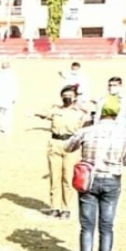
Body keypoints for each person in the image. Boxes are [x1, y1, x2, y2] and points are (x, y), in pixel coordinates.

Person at [68, 97, 126, 251]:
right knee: (107, 225)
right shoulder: (123, 133)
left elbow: (68, 147)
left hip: (89, 179)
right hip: (112, 178)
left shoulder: (88, 131)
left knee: (87, 225)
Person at [35, 85, 91, 220]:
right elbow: (42, 113)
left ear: (75, 97)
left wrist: (84, 108)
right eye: (65, 95)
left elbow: (91, 120)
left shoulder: (79, 112)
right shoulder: (55, 110)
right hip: (55, 143)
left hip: (71, 145)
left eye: (70, 95)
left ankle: (66, 208)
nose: (67, 97)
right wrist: (49, 108)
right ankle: (55, 207)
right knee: (55, 177)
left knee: (68, 178)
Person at [0, 60, 19, 135]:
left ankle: (0, 127)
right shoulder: (12, 75)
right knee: (7, 114)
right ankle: (6, 128)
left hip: (0, 97)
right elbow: (15, 87)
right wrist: (14, 98)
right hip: (7, 97)